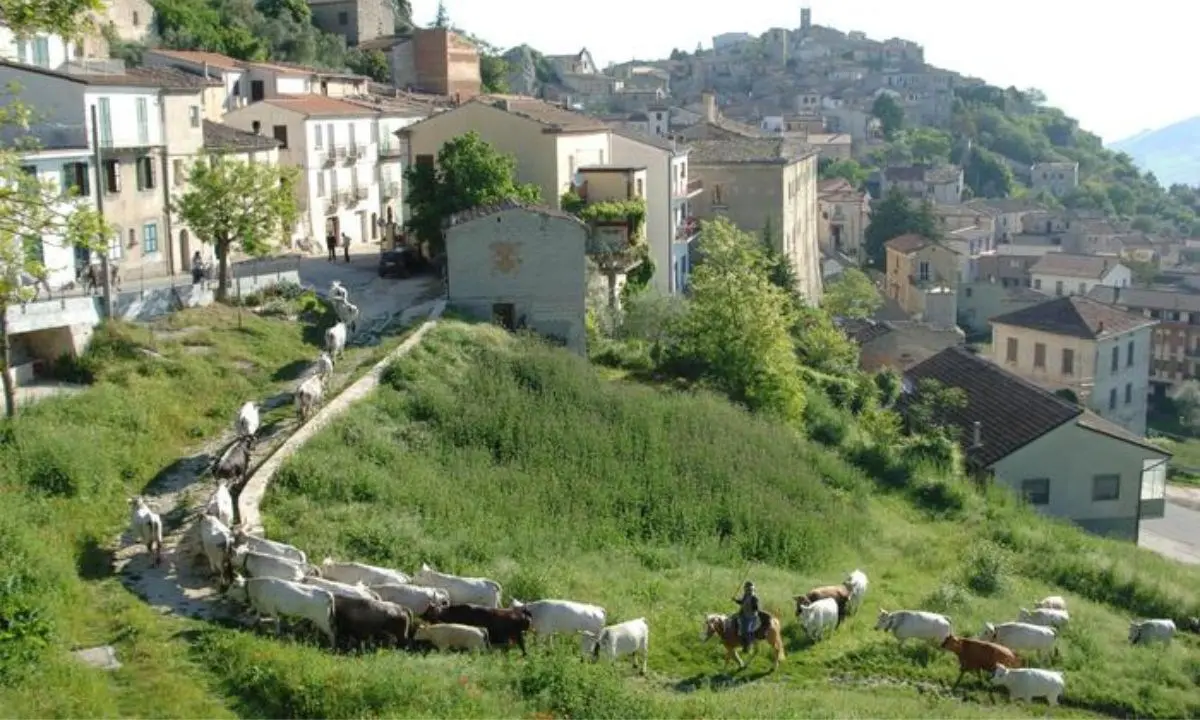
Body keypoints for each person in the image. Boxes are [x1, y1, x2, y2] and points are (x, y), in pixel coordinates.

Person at [731, 581, 759, 653]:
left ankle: (747, 647)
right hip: (743, 614)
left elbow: (756, 609)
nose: (747, 591)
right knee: (731, 620)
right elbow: (742, 602)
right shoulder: (746, 595)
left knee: (745, 631)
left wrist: (750, 609)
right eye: (746, 589)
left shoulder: (754, 598)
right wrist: (735, 600)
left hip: (750, 617)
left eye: (749, 589)